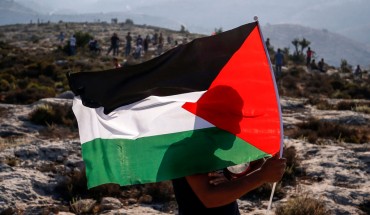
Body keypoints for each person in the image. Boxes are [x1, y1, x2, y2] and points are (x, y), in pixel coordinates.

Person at [169, 86, 286, 215]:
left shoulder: (211, 149)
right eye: (235, 121)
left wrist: (235, 181)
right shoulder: (190, 150)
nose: (238, 129)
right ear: (216, 119)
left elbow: (255, 165)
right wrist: (260, 176)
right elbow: (210, 198)